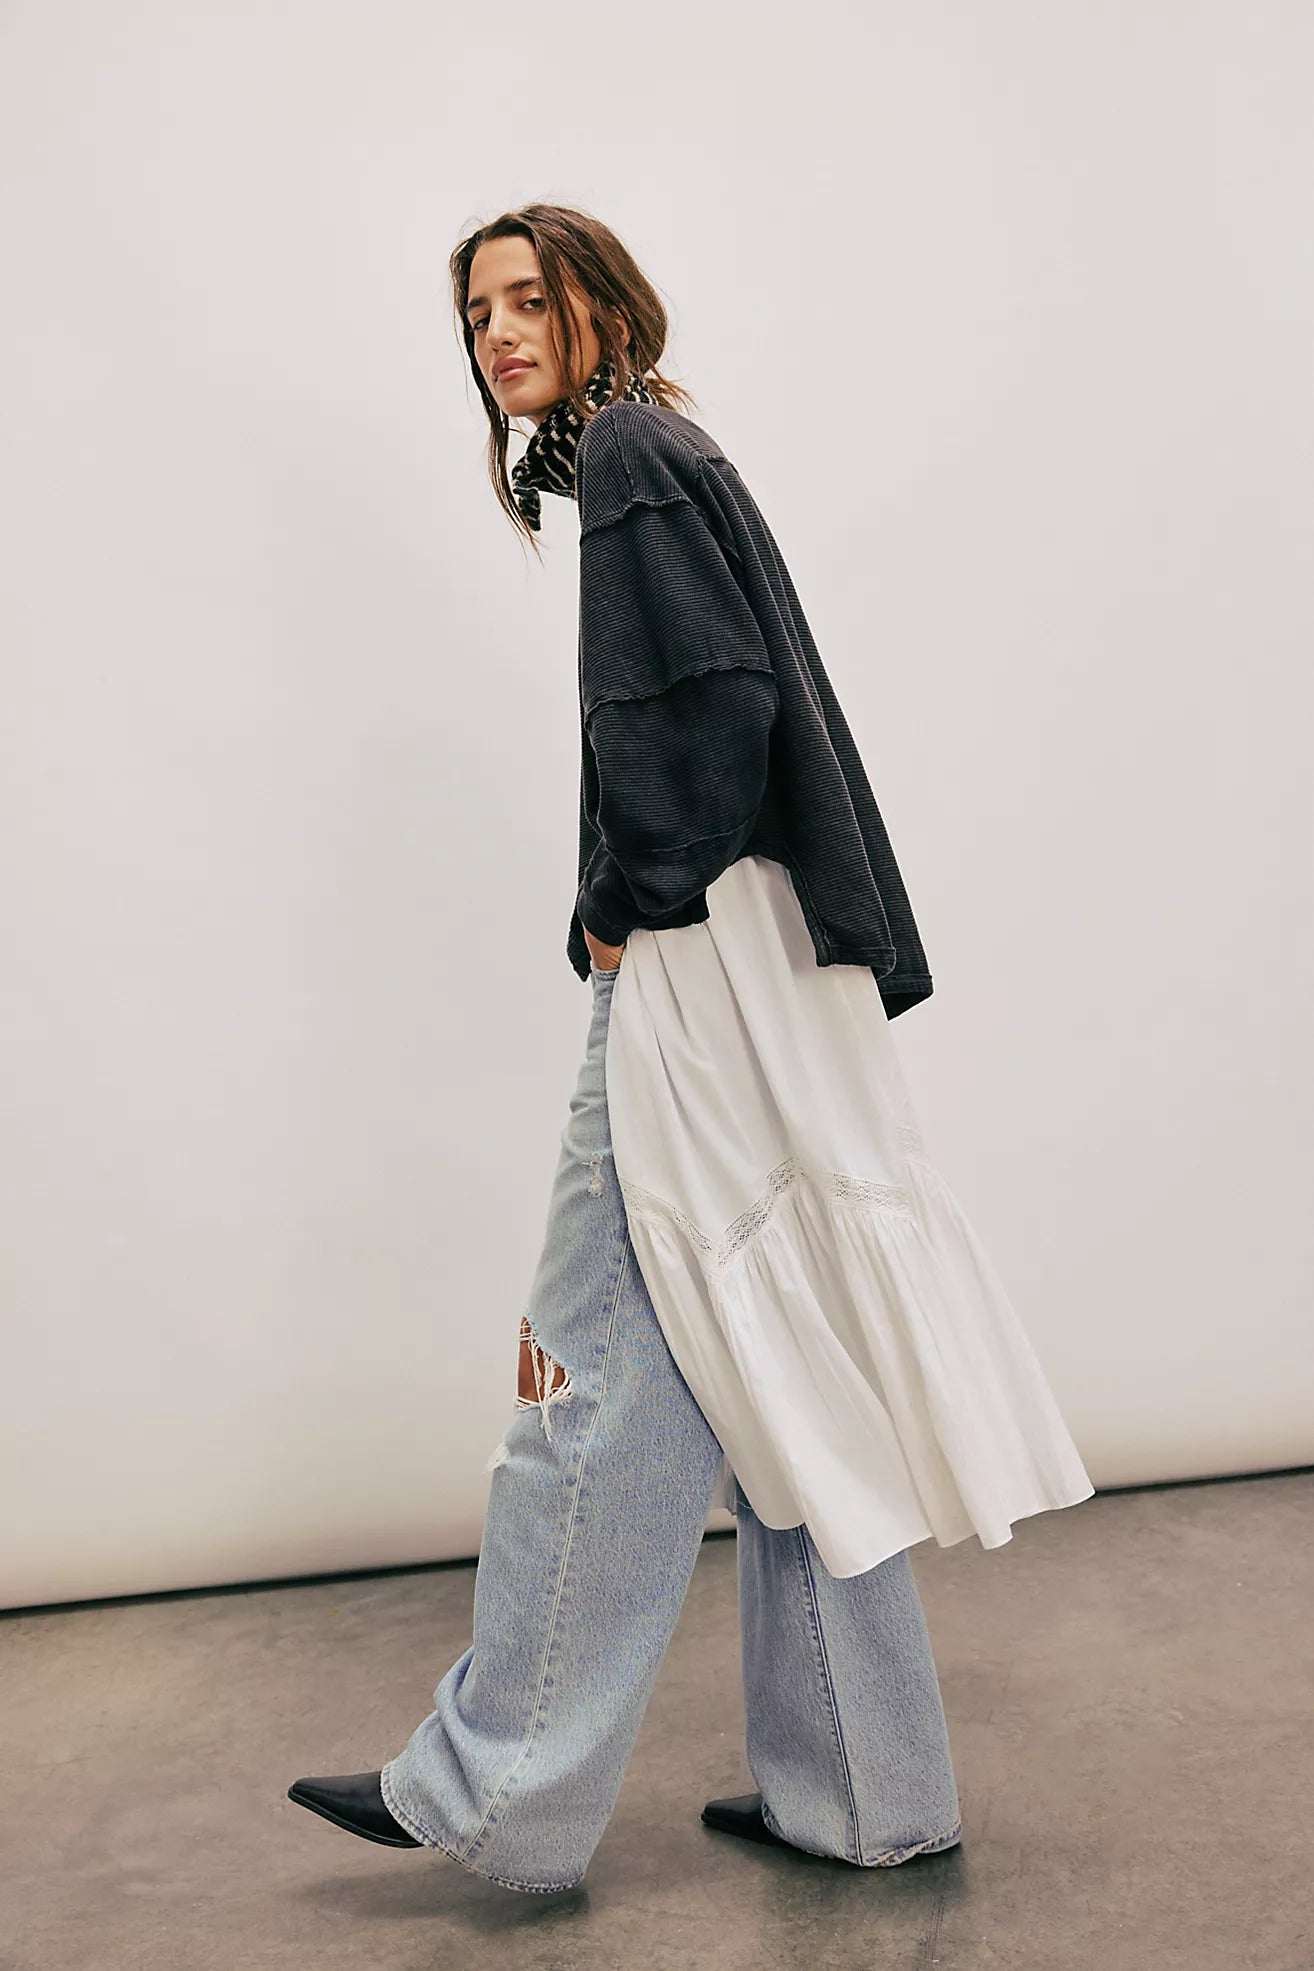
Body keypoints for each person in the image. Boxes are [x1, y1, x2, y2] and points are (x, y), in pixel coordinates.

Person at [288, 203, 1093, 1893]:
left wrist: (618, 901)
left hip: (696, 970)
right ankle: (869, 1794)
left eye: (528, 298)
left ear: (602, 304)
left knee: (581, 1375)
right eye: (476, 315)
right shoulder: (655, 447)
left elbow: (708, 710)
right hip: (761, 966)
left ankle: (493, 1794)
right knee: (781, 1354)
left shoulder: (630, 457)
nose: (500, 334)